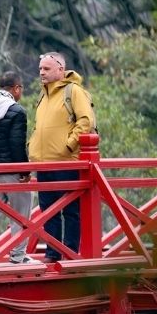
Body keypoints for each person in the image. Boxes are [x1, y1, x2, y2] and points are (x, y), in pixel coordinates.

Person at [28, 52, 95, 262]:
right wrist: (32, 147)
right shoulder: (43, 95)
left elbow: (86, 121)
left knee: (70, 210)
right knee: (48, 211)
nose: (41, 72)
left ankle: (71, 252)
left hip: (66, 162)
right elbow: (39, 127)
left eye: (46, 69)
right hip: (43, 163)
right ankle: (52, 253)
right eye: (40, 69)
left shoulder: (73, 91)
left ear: (60, 69)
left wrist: (68, 145)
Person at [0, 72, 36, 264]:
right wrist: (25, 172)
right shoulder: (17, 111)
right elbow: (16, 145)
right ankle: (18, 257)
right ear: (16, 88)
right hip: (10, 173)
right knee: (21, 213)